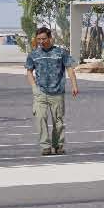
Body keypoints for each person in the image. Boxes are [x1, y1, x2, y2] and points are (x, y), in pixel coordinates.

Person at [25, 26, 77, 157]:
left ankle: (58, 145)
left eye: (43, 39)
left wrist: (74, 85)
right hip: (40, 93)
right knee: (40, 118)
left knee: (58, 122)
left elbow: (69, 68)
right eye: (38, 39)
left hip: (57, 92)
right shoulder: (33, 55)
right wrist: (34, 88)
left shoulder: (61, 52)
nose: (41, 41)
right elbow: (29, 72)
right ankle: (45, 147)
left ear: (50, 38)